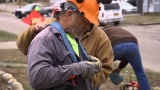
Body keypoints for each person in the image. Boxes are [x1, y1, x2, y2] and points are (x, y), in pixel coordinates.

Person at [17, 0, 114, 90]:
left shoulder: (72, 36)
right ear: (70, 15)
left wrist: (87, 62)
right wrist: (79, 68)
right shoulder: (46, 38)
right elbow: (37, 78)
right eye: (85, 21)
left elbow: (68, 64)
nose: (88, 27)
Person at [102, 25, 151, 90]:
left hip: (116, 45)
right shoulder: (118, 29)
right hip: (133, 44)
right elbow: (127, 52)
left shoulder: (102, 31)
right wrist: (120, 68)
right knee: (140, 72)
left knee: (100, 70)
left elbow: (100, 48)